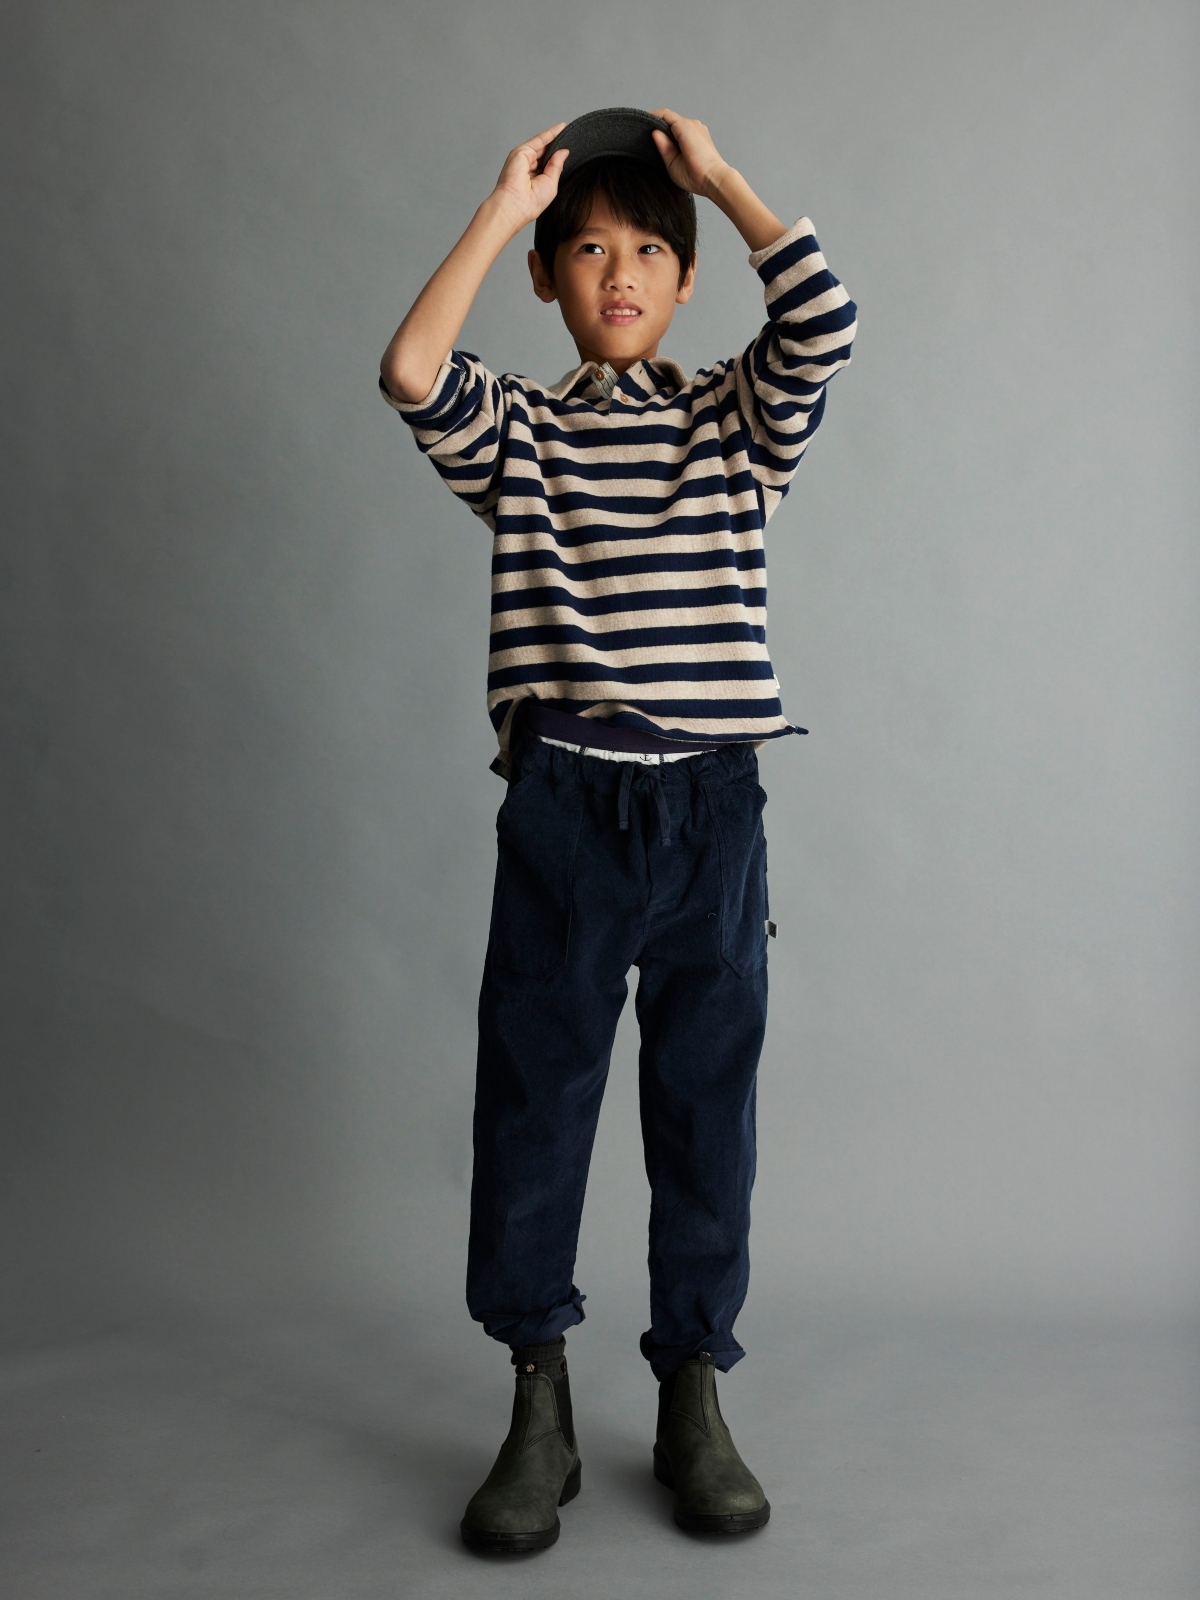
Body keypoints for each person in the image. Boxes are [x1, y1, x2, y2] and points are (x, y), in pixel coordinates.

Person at [379, 106, 856, 1552]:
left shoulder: (734, 422)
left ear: (687, 278)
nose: (621, 273)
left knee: (707, 1107)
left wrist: (721, 180)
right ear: (549, 280)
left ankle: (694, 1392)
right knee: (535, 1105)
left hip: (712, 809)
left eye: (650, 250)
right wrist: (500, 211)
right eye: (588, 251)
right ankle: (539, 1400)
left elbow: (824, 324)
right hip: (567, 810)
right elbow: (410, 370)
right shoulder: (522, 435)